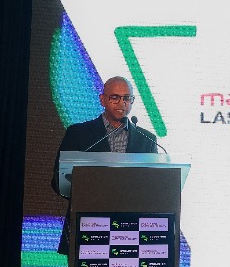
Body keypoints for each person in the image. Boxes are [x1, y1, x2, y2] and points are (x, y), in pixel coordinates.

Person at [52, 75, 160, 253]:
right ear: (102, 100)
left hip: (131, 231)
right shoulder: (78, 134)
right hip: (88, 227)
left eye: (127, 98)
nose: (121, 103)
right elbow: (58, 181)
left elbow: (153, 186)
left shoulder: (146, 139)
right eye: (115, 97)